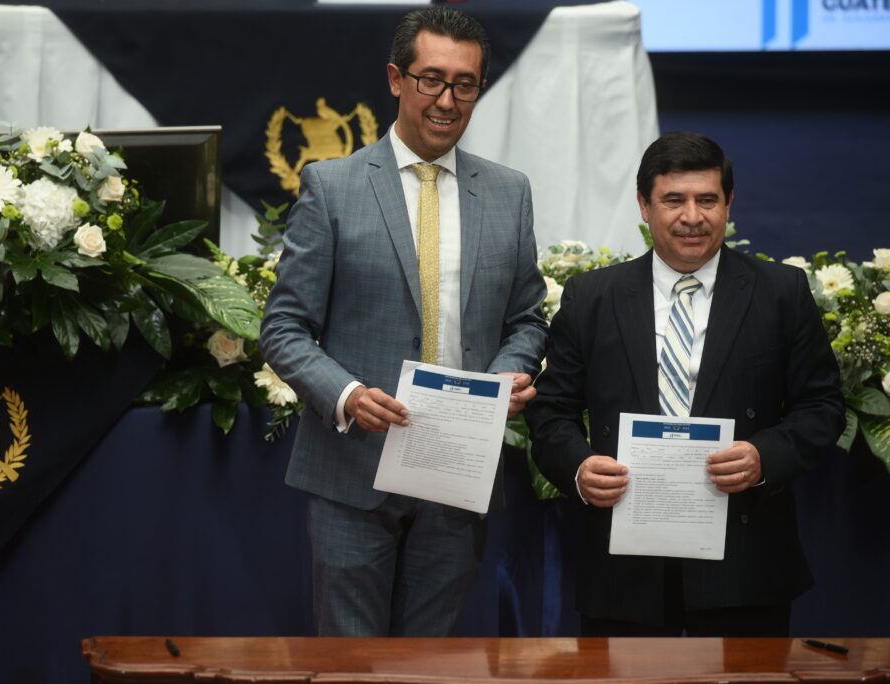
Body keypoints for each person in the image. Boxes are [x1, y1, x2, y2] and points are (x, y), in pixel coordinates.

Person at [260, 7, 547, 637]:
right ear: (396, 79)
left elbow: (526, 321)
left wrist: (504, 380)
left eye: (465, 84)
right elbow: (283, 327)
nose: (447, 100)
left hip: (457, 468)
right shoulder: (332, 187)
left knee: (431, 666)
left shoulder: (508, 192)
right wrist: (348, 395)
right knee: (351, 665)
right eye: (431, 80)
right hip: (352, 467)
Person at [527, 131, 844, 637]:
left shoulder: (780, 292)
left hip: (744, 566)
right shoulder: (592, 297)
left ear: (729, 204)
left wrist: (765, 457)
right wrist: (579, 468)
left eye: (707, 200)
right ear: (644, 205)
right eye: (673, 200)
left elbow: (822, 407)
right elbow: (551, 411)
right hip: (623, 567)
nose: (692, 217)